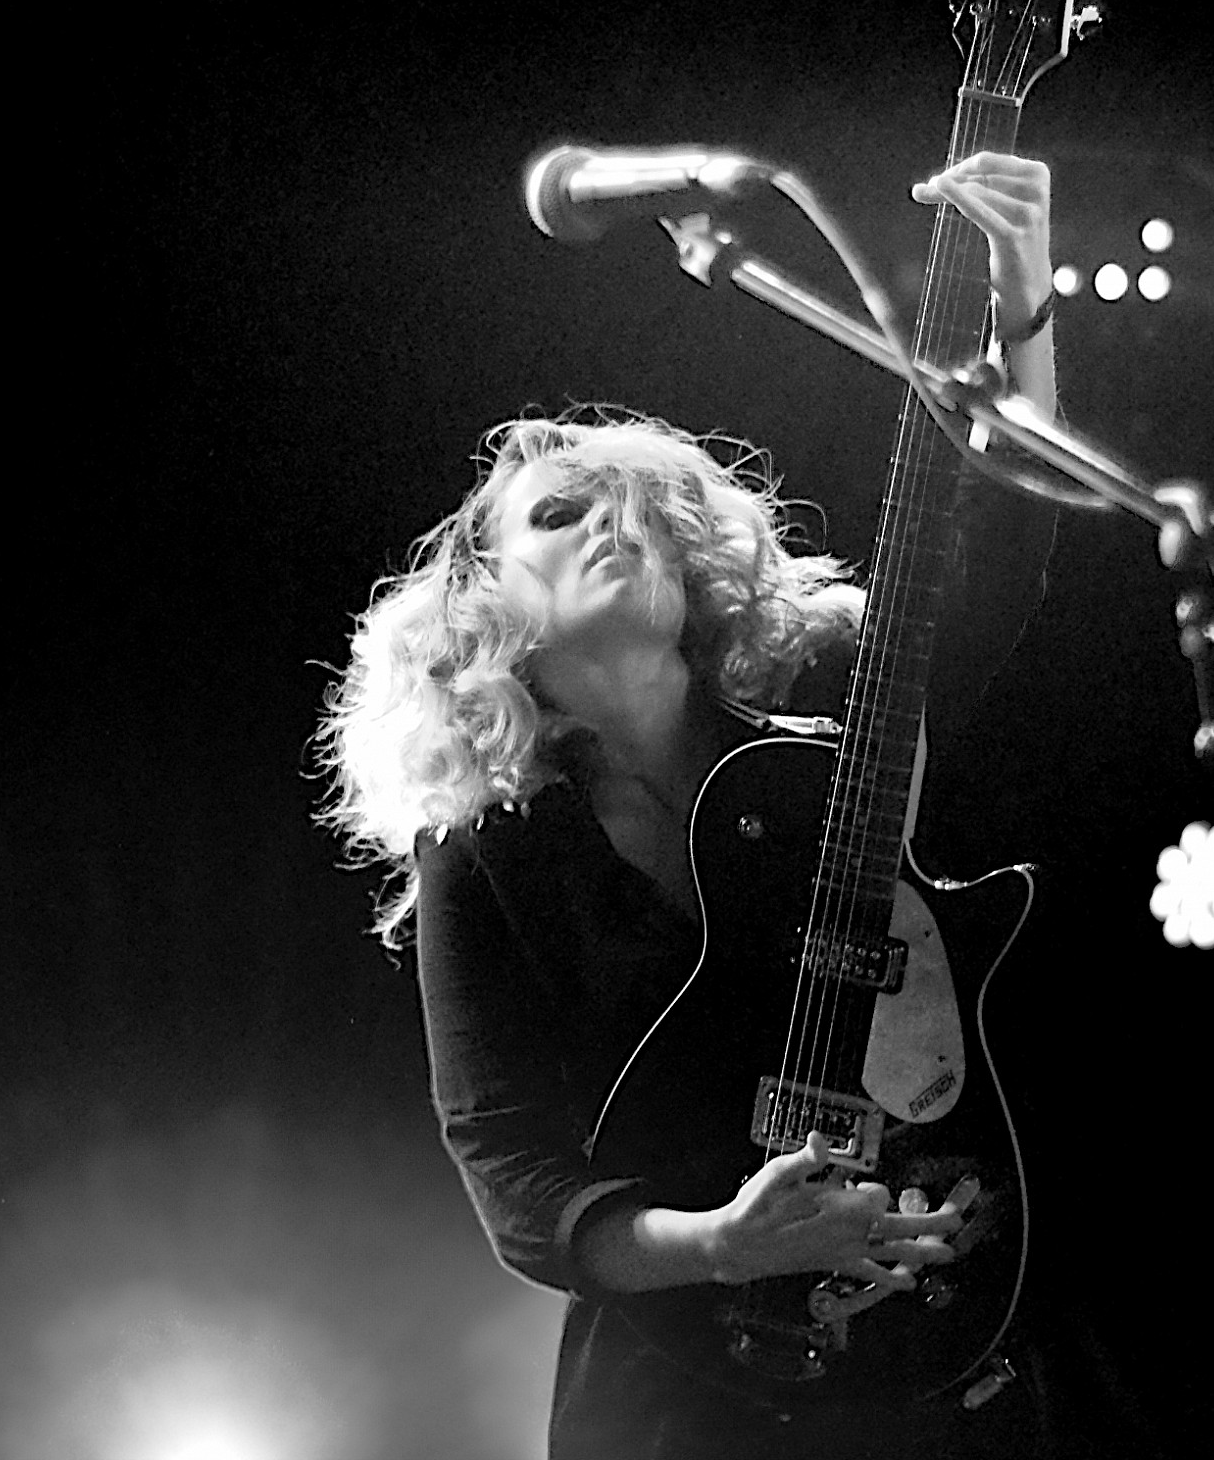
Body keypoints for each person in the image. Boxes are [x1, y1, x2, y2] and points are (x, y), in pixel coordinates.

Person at [316, 153, 1064, 1458]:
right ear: (484, 605)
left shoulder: (832, 701)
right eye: (560, 514)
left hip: (931, 1320)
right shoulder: (488, 846)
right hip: (679, 1390)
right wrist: (727, 1243)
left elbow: (997, 552)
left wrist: (1024, 298)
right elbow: (513, 1173)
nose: (612, 521)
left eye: (639, 508)